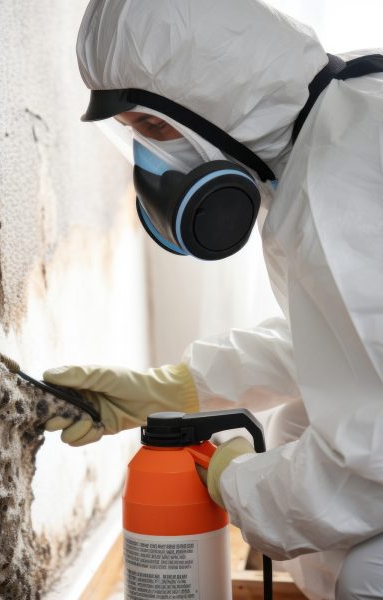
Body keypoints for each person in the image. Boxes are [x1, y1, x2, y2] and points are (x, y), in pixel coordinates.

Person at [43, 1, 383, 598]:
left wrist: (239, 486)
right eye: (133, 136)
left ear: (220, 96)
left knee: (369, 577)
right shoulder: (332, 111)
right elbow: (343, 336)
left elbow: (372, 468)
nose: (152, 163)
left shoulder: (342, 185)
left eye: (152, 128)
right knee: (296, 421)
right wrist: (177, 387)